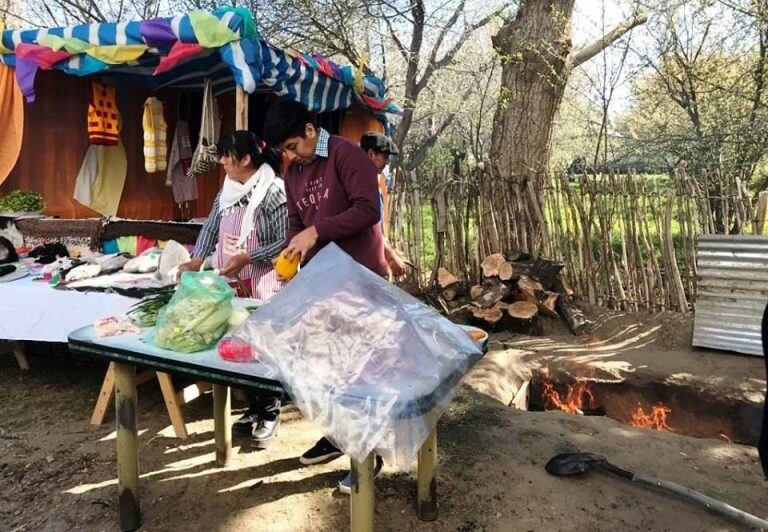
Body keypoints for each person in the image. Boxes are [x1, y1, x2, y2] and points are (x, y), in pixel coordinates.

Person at [262, 100, 387, 493]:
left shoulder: (346, 156)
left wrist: (318, 233)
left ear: (311, 130)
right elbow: (298, 222)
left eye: (294, 145)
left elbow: (367, 210)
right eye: (285, 149)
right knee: (329, 370)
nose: (291, 155)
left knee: (360, 375)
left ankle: (371, 454)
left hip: (360, 279)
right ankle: (339, 436)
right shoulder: (293, 170)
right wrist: (291, 256)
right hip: (324, 282)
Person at [178, 130, 286, 448]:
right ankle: (253, 408)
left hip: (262, 282)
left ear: (246, 159)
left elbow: (284, 242)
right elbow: (212, 224)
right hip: (233, 284)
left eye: (227, 155)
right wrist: (197, 259)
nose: (222, 161)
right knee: (239, 348)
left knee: (263, 350)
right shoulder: (228, 189)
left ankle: (270, 412)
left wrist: (249, 256)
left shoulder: (273, 191)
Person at [360, 131, 407, 278]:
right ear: (371, 154)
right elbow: (365, 226)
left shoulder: (373, 181)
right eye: (385, 157)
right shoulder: (359, 184)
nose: (387, 162)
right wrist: (390, 255)